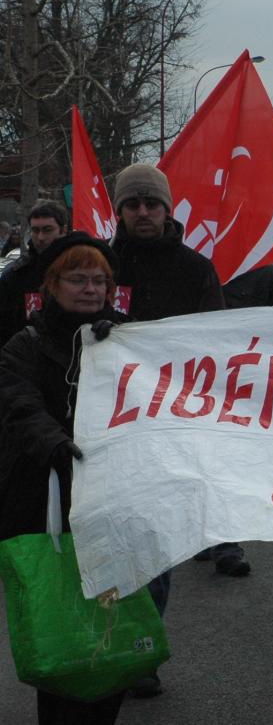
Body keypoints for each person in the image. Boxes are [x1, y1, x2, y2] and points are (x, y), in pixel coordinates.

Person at [0, 233, 129, 724]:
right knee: (59, 621)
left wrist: (116, 344)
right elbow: (19, 403)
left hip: (113, 499)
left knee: (110, 618)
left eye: (99, 280)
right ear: (52, 286)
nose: (90, 289)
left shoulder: (127, 340)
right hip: (44, 500)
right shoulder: (25, 345)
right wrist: (54, 442)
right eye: (78, 279)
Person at [107, 163, 226, 697]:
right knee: (112, 542)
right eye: (132, 204)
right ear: (120, 211)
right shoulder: (99, 264)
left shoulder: (195, 270)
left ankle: (140, 651)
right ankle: (106, 641)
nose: (142, 212)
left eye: (151, 203)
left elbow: (216, 347)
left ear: (167, 209)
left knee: (153, 545)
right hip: (106, 428)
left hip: (168, 428)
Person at [0, 200, 69, 345]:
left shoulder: (80, 269)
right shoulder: (17, 276)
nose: (41, 237)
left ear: (63, 230)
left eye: (47, 230)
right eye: (35, 230)